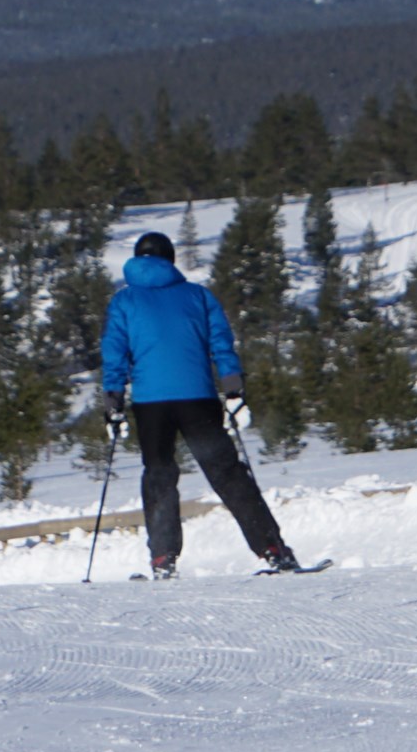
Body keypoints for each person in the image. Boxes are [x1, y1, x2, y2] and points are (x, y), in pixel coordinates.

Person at [99, 229, 306, 578]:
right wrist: (234, 392)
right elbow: (222, 345)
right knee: (227, 473)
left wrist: (113, 404)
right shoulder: (198, 295)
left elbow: (114, 355)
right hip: (197, 397)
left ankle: (163, 561)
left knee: (160, 477)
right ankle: (274, 550)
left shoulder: (124, 301)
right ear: (171, 260)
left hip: (151, 405)